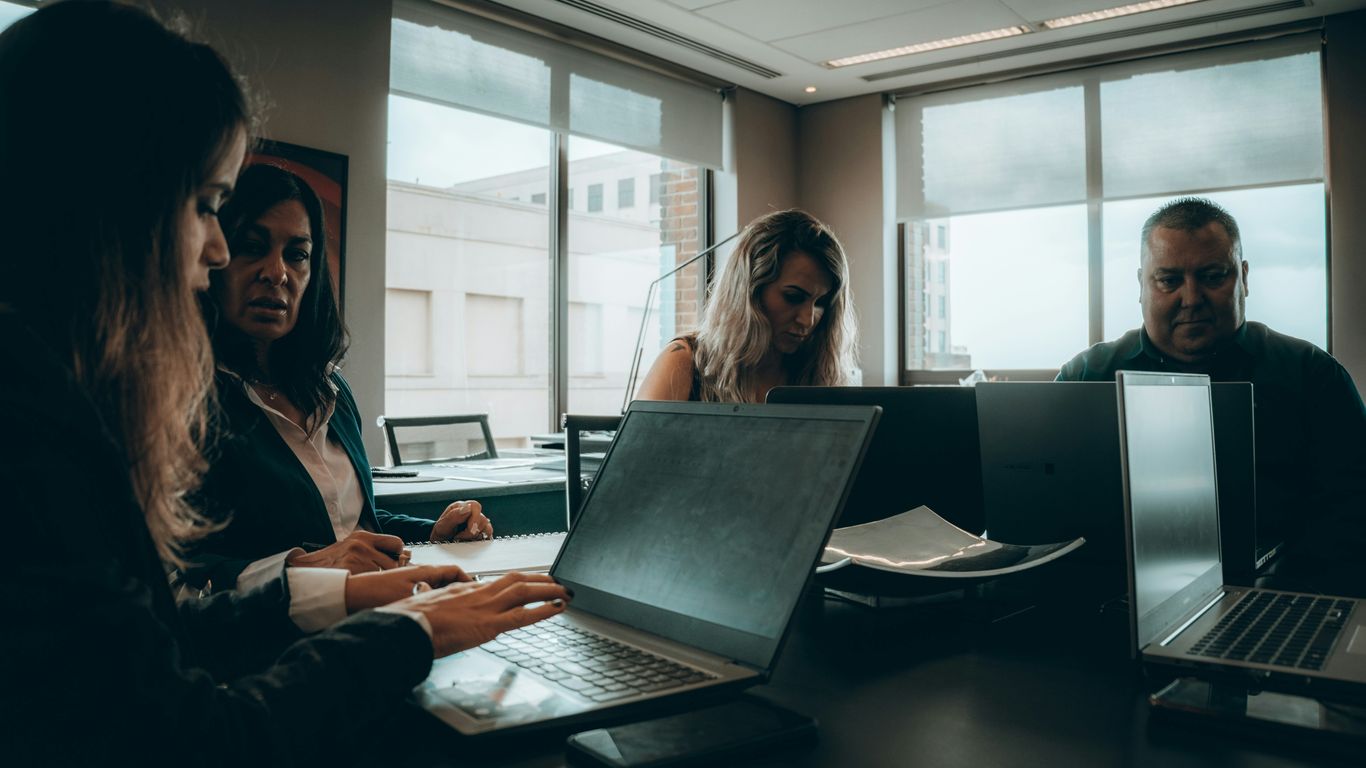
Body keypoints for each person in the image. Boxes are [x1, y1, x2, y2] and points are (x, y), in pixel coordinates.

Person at [0, 3, 567, 763]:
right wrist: (412, 632)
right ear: (107, 202)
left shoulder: (51, 394)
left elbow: (148, 638)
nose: (212, 253)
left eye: (297, 254)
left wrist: (349, 590)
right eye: (207, 208)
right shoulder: (36, 425)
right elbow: (189, 735)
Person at [185, 164, 491, 591]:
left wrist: (434, 534)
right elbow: (180, 577)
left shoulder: (331, 389)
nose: (277, 273)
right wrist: (304, 568)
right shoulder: (184, 401)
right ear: (215, 258)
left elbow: (350, 527)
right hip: (274, 642)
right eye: (251, 247)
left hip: (376, 618)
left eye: (297, 254)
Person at [1056, 197, 1366, 595]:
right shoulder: (1085, 376)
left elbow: (1355, 509)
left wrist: (1288, 582)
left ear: (1244, 277)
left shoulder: (1311, 374)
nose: (1191, 298)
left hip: (1276, 596)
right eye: (1169, 280)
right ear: (1141, 285)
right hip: (1106, 597)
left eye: (1213, 276)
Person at [636, 209, 858, 403]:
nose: (807, 320)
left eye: (821, 303)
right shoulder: (685, 361)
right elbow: (641, 451)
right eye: (793, 297)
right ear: (750, 290)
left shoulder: (815, 374)